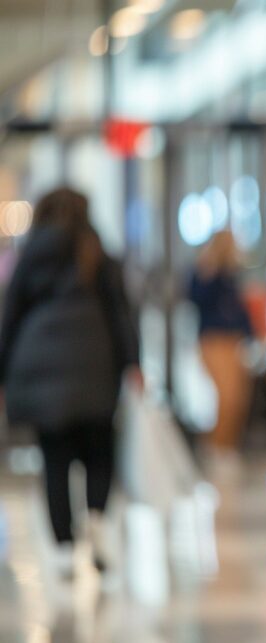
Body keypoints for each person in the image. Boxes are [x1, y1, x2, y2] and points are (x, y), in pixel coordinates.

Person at [0, 187, 141, 577]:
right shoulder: (96, 251)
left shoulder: (30, 255)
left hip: (42, 369)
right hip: (96, 365)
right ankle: (96, 520)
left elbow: (9, 317)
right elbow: (121, 313)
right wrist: (133, 362)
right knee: (99, 453)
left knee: (55, 460)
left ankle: (63, 548)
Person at [188, 230, 252, 469]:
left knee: (238, 397)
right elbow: (196, 299)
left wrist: (250, 334)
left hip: (233, 340)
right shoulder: (206, 271)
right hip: (213, 340)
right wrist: (209, 272)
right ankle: (215, 447)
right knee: (227, 396)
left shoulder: (231, 275)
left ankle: (227, 446)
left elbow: (239, 309)